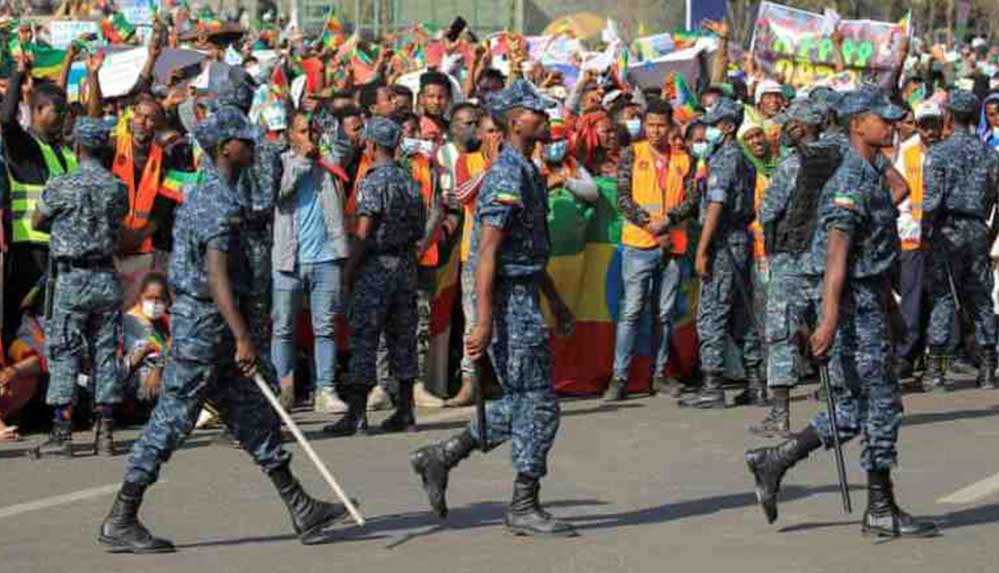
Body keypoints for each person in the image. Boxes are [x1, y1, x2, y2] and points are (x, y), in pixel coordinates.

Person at [98, 107, 351, 554]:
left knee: (252, 414)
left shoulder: (223, 192)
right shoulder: (217, 199)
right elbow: (216, 276)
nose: (252, 147)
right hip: (206, 326)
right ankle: (121, 516)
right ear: (224, 148)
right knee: (173, 419)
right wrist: (241, 337)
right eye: (244, 141)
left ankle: (300, 505)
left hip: (215, 323)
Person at [745, 89, 939, 539]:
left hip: (868, 297)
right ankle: (880, 507)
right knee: (882, 403)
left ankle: (775, 460)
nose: (891, 125)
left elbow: (880, 233)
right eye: (881, 119)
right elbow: (836, 254)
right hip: (851, 304)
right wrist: (829, 318)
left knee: (853, 407)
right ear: (857, 124)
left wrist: (889, 308)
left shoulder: (870, 170)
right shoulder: (851, 178)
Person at [409, 80, 577, 538]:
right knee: (540, 407)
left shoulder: (527, 169)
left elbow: (527, 251)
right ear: (513, 121)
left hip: (524, 294)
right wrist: (482, 321)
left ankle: (441, 457)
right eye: (533, 110)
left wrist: (556, 301)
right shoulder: (506, 175)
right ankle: (523, 503)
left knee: (523, 402)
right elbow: (488, 253)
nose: (542, 116)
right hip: (506, 305)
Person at [28, 117, 128, 459]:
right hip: (105, 276)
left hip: (72, 278)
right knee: (105, 352)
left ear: (77, 147)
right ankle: (106, 432)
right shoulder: (117, 187)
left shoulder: (61, 184)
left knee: (65, 350)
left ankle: (62, 431)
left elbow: (36, 221)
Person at [323, 117, 426, 436]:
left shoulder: (373, 181)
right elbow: (420, 227)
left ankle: (356, 415)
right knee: (403, 337)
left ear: (370, 145)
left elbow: (364, 232)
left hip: (377, 267)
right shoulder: (410, 180)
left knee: (365, 337)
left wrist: (349, 272)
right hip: (406, 266)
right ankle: (405, 410)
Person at [751, 99, 835, 438]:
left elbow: (769, 210)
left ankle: (779, 415)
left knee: (781, 334)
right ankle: (836, 404)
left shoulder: (792, 164)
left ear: (801, 126)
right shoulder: (839, 157)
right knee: (829, 330)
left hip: (792, 257)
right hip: (829, 258)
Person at [610, 98, 697, 401]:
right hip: (638, 245)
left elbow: (692, 200)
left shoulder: (685, 158)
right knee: (631, 311)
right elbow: (622, 199)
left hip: (673, 247)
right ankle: (619, 378)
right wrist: (651, 225)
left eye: (661, 125)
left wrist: (668, 222)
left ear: (671, 126)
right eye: (650, 125)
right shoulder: (630, 154)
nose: (655, 131)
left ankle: (660, 375)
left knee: (664, 313)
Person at [682, 97, 764, 409]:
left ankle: (712, 385)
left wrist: (702, 250)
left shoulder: (726, 158)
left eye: (714, 124)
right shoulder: (739, 158)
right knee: (740, 313)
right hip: (738, 240)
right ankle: (755, 382)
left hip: (723, 242)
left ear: (728, 127)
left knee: (712, 313)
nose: (709, 130)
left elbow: (716, 205)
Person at [271, 111, 350, 413]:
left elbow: (343, 145)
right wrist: (304, 160)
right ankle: (284, 390)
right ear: (290, 134)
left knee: (326, 326)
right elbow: (280, 192)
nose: (309, 137)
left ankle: (326, 390)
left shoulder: (328, 160)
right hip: (288, 259)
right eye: (302, 131)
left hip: (326, 256)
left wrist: (328, 119)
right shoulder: (279, 162)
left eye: (312, 131)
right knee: (283, 328)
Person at [922, 90, 999, 391]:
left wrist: (929, 232)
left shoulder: (938, 154)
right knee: (980, 295)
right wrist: (987, 232)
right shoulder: (989, 154)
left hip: (947, 229)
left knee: (942, 296)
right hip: (977, 228)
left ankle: (935, 371)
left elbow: (931, 202)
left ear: (949, 117)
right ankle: (989, 369)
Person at [2, 58, 76, 342]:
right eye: (56, 111)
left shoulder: (65, 153)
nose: (62, 117)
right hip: (29, 254)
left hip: (60, 252)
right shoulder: (25, 148)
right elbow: (7, 120)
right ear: (37, 111)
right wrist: (18, 74)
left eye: (65, 112)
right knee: (18, 318)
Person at [893, 101, 943, 383]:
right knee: (911, 295)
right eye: (923, 124)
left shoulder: (947, 151)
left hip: (943, 235)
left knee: (940, 296)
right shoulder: (908, 150)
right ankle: (907, 353)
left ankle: (939, 354)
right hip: (911, 233)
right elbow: (899, 188)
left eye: (933, 124)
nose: (929, 130)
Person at [122, 272, 172, 407]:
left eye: (160, 299)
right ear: (140, 299)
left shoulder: (165, 322)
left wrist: (159, 367)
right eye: (149, 298)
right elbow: (118, 370)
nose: (155, 304)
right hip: (135, 384)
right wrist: (140, 354)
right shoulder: (131, 322)